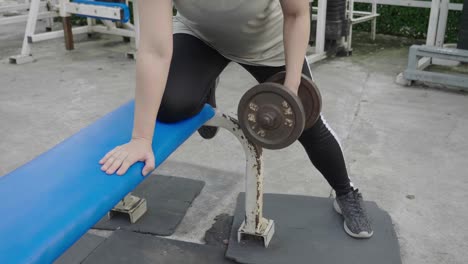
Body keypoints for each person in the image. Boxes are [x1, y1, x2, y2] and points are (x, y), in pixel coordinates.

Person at [98, 0, 373, 238]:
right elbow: (154, 51)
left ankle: (345, 192)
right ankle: (204, 88)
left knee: (307, 126)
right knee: (170, 106)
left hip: (267, 43)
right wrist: (140, 139)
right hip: (200, 36)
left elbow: (297, 14)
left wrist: (290, 90)